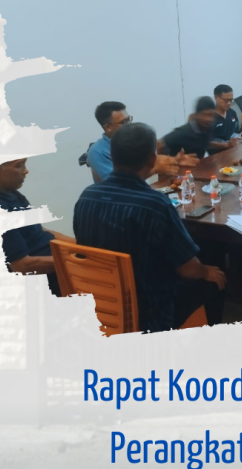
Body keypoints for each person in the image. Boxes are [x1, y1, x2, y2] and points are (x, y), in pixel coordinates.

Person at [74, 123, 227, 332]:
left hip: (102, 302)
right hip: (150, 313)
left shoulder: (86, 197)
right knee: (214, 276)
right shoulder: (154, 204)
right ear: (152, 160)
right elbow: (189, 269)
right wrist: (206, 270)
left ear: (113, 156)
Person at [0, 158, 75, 295]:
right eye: (19, 166)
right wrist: (75, 262)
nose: (26, 171)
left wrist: (80, 245)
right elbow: (21, 266)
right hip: (43, 283)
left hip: (56, 264)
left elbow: (39, 231)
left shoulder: (13, 194)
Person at [83, 101, 193, 181]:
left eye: (129, 120)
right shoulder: (97, 152)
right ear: (108, 127)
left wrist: (175, 160)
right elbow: (117, 184)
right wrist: (154, 170)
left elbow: (150, 162)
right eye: (124, 122)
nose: (129, 125)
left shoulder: (133, 143)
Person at [208, 84, 241, 153]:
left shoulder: (232, 113)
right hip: (217, 156)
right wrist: (227, 145)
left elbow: (237, 132)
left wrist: (238, 140)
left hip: (233, 152)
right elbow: (207, 143)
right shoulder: (209, 117)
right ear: (216, 98)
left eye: (231, 100)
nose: (229, 103)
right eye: (226, 100)